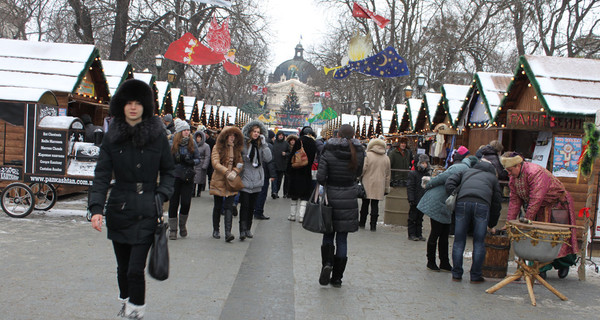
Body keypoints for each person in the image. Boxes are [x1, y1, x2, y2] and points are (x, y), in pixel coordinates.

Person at [88, 79, 175, 319]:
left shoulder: (157, 136)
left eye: (138, 103)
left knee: (136, 270)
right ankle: (127, 303)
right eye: (129, 103)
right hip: (119, 208)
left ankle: (135, 313)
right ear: (121, 106)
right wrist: (96, 208)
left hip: (147, 208)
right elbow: (102, 175)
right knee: (123, 269)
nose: (133, 107)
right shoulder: (112, 137)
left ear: (145, 106)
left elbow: (169, 170)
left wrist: (162, 193)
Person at [500, 152, 579, 279]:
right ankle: (540, 268)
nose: (509, 174)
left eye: (510, 170)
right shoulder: (513, 179)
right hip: (540, 208)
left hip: (558, 205)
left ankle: (564, 264)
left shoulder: (535, 172)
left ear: (518, 165)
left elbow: (536, 197)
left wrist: (528, 219)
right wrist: (510, 222)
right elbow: (515, 200)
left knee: (559, 237)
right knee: (539, 238)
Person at [316, 124, 365, 287]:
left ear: (338, 134)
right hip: (349, 196)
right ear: (353, 135)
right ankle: (337, 277)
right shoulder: (358, 152)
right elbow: (358, 173)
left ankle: (327, 264)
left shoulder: (328, 149)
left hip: (331, 197)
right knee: (342, 238)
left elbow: (321, 177)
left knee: (328, 234)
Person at [445, 160, 502, 283]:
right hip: (482, 205)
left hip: (463, 202)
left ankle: (456, 274)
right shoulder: (492, 178)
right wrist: (492, 223)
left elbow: (449, 181)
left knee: (459, 240)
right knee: (479, 242)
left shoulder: (466, 171)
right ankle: (475, 276)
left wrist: (454, 193)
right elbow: (497, 202)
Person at [417, 146, 472, 272]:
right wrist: (428, 184)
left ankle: (444, 262)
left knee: (443, 234)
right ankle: (431, 261)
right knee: (436, 233)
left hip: (444, 203)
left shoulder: (462, 167)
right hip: (438, 202)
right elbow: (442, 178)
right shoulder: (461, 168)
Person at [238, 120, 272, 240]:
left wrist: (264, 144)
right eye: (254, 131)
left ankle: (248, 228)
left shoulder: (261, 145)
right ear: (250, 132)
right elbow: (239, 158)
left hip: (257, 179)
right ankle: (242, 230)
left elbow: (268, 158)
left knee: (252, 206)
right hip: (245, 177)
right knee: (245, 205)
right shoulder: (244, 144)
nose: (256, 134)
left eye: (258, 132)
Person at [210, 126, 244, 242]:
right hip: (219, 180)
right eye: (230, 135)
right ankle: (216, 229)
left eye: (234, 136)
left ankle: (228, 232)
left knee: (229, 206)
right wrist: (226, 171)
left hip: (231, 181)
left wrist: (235, 171)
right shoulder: (217, 147)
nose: (232, 138)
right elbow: (215, 163)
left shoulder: (236, 149)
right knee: (218, 206)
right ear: (225, 136)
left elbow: (240, 163)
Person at [167, 119, 201, 240]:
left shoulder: (192, 143)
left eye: (188, 130)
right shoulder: (172, 143)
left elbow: (198, 158)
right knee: (173, 203)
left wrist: (191, 161)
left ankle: (182, 225)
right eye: (184, 130)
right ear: (180, 132)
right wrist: (174, 160)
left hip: (187, 175)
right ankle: (173, 229)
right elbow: (166, 160)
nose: (187, 132)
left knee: (186, 202)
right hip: (175, 176)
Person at [359, 138, 391, 231]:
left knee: (365, 204)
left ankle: (362, 223)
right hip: (379, 184)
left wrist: (359, 177)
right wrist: (386, 187)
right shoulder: (386, 158)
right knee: (375, 205)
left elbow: (363, 169)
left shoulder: (367, 155)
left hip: (367, 183)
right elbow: (388, 175)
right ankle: (373, 226)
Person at [286, 127, 317, 222]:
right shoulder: (314, 143)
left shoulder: (299, 141)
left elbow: (292, 156)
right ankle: (302, 216)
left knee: (294, 195)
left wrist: (289, 169)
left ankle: (292, 215)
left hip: (297, 170)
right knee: (304, 196)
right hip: (307, 172)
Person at [407, 154, 431, 240]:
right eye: (423, 163)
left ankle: (419, 233)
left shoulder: (427, 174)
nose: (424, 165)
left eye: (426, 163)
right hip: (415, 198)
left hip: (423, 199)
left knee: (420, 218)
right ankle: (412, 234)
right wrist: (411, 198)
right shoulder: (413, 174)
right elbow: (410, 187)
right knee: (413, 217)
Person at [253, 130, 276, 220]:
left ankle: (253, 210)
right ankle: (258, 212)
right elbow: (270, 162)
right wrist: (273, 175)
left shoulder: (252, 144)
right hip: (264, 174)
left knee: (254, 193)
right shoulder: (269, 146)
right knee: (262, 194)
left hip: (254, 173)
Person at [193, 130, 211, 197]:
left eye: (199, 137)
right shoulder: (193, 144)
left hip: (201, 163)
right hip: (195, 163)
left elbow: (207, 156)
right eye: (197, 137)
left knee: (200, 179)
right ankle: (193, 191)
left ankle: (199, 191)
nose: (198, 139)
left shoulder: (206, 146)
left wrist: (205, 165)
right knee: (194, 178)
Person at [271, 131, 289, 199]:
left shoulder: (286, 144)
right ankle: (274, 192)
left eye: (282, 135)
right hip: (274, 164)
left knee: (279, 180)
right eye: (279, 135)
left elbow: (289, 152)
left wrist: (286, 154)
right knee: (274, 179)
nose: (281, 136)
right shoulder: (274, 142)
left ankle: (276, 192)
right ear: (277, 135)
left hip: (282, 165)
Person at [283, 134, 298, 198]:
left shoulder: (297, 147)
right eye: (291, 140)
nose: (292, 141)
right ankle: (285, 192)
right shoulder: (287, 147)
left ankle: (291, 192)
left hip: (295, 165)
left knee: (293, 180)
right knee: (287, 179)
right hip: (287, 165)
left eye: (294, 140)